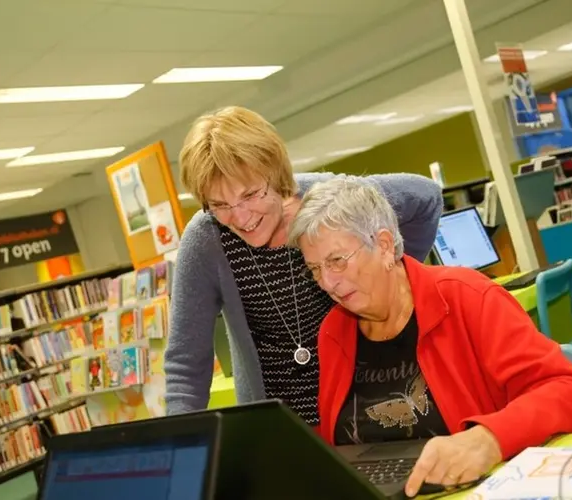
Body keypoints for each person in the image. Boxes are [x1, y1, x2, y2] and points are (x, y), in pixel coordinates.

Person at [288, 178, 572, 497]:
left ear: (383, 245)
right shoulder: (334, 330)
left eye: (337, 261)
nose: (327, 282)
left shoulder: (468, 298)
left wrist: (489, 438)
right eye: (314, 269)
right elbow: (336, 441)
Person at [164, 106, 444, 427]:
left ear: (276, 174)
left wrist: (390, 275)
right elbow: (186, 367)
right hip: (281, 433)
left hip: (368, 416)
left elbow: (426, 197)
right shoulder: (206, 239)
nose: (240, 218)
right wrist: (183, 447)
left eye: (252, 194)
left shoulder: (331, 202)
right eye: (220, 205)